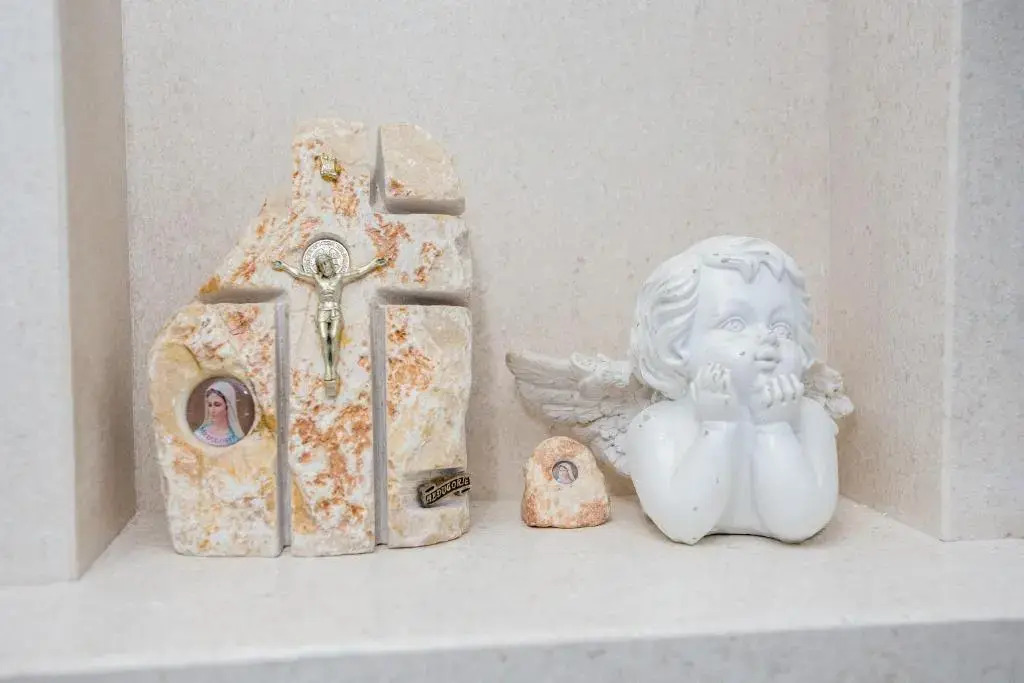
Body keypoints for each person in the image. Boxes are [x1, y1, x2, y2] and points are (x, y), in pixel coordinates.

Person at [627, 236, 838, 544]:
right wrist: (717, 428)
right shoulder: (656, 426)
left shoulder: (810, 419)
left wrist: (776, 429)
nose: (768, 339)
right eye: (736, 324)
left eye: (782, 327)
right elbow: (684, 523)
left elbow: (801, 522)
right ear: (677, 345)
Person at [193, 380, 245, 447]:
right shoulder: (199, 434)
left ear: (228, 407)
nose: (212, 410)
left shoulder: (237, 439)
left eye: (217, 405)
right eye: (210, 405)